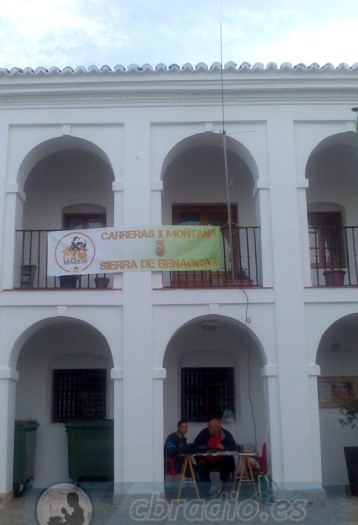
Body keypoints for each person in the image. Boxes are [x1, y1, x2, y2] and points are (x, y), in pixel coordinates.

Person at [193, 417, 237, 497]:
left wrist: (224, 448)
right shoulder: (204, 433)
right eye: (209, 426)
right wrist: (200, 458)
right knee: (201, 470)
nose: (208, 428)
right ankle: (206, 493)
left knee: (227, 463)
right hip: (206, 460)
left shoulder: (225, 434)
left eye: (211, 427)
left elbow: (234, 446)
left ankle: (225, 490)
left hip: (221, 461)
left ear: (218, 428)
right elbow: (195, 446)